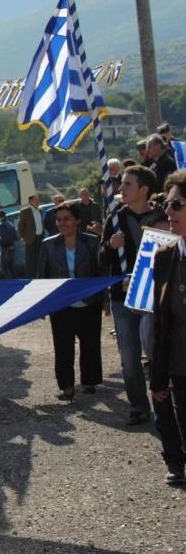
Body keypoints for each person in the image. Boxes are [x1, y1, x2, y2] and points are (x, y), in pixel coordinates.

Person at [102, 165, 166, 425]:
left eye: (128, 184)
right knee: (129, 358)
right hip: (122, 298)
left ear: (144, 190)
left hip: (155, 299)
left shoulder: (163, 218)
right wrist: (110, 245)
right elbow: (101, 258)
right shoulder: (115, 219)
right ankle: (139, 406)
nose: (121, 189)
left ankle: (165, 403)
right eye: (121, 184)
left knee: (157, 352)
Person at [35, 203, 105, 401]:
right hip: (61, 305)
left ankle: (89, 382)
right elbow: (42, 275)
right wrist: (42, 304)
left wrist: (105, 300)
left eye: (66, 219)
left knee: (90, 344)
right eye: (58, 219)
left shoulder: (92, 243)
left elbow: (101, 271)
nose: (62, 223)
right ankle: (66, 386)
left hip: (89, 303)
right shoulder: (48, 245)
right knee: (63, 346)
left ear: (77, 220)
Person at [150, 170, 186, 486]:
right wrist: (157, 374)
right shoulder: (164, 258)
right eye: (167, 203)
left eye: (176, 204)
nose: (168, 211)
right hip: (180, 367)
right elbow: (160, 323)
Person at [18, 194, 45, 278]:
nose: (38, 201)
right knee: (30, 260)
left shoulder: (40, 210)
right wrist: (21, 237)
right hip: (30, 239)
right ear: (31, 201)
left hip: (40, 238)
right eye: (36, 200)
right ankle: (31, 277)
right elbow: (20, 225)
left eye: (38, 199)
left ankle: (40, 276)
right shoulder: (25, 211)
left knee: (40, 259)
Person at [0, 210, 19, 279]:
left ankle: (9, 281)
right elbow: (15, 236)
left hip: (5, 248)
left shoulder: (2, 225)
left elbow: (3, 238)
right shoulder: (10, 224)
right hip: (12, 246)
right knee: (11, 266)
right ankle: (15, 280)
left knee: (4, 266)